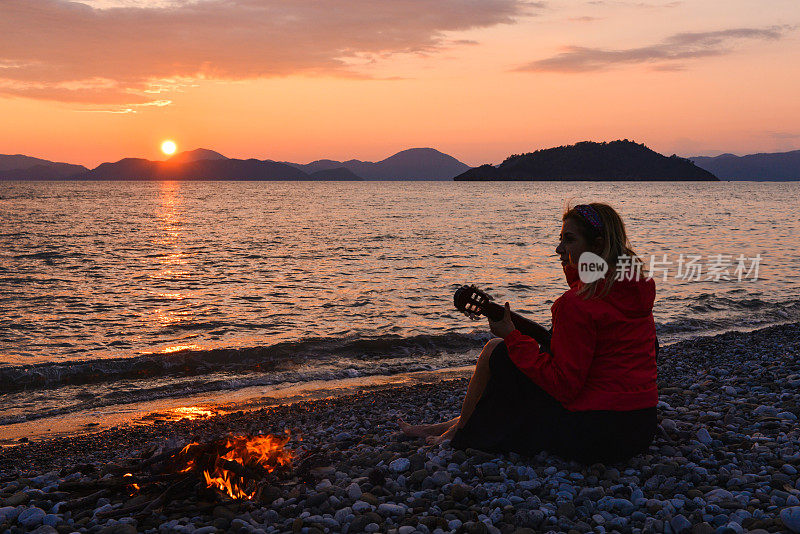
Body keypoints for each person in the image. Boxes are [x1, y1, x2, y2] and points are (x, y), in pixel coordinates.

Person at [399, 202, 658, 464]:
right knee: (530, 365)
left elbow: (564, 387)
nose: (559, 249)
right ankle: (451, 425)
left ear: (598, 245)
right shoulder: (637, 287)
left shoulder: (577, 303)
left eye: (568, 240)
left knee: (497, 353)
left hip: (596, 435)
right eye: (560, 239)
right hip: (640, 426)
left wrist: (512, 338)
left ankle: (461, 432)